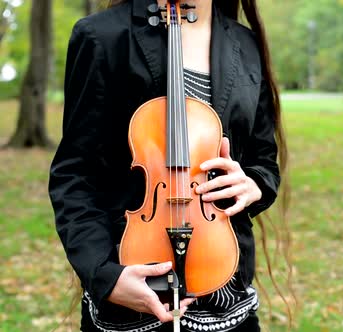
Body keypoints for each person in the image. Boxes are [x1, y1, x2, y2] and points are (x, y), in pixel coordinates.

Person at [48, 0, 288, 331]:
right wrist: (105, 276)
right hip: (131, 280)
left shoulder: (244, 43)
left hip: (226, 290)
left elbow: (263, 159)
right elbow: (74, 174)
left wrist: (253, 185)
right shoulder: (102, 36)